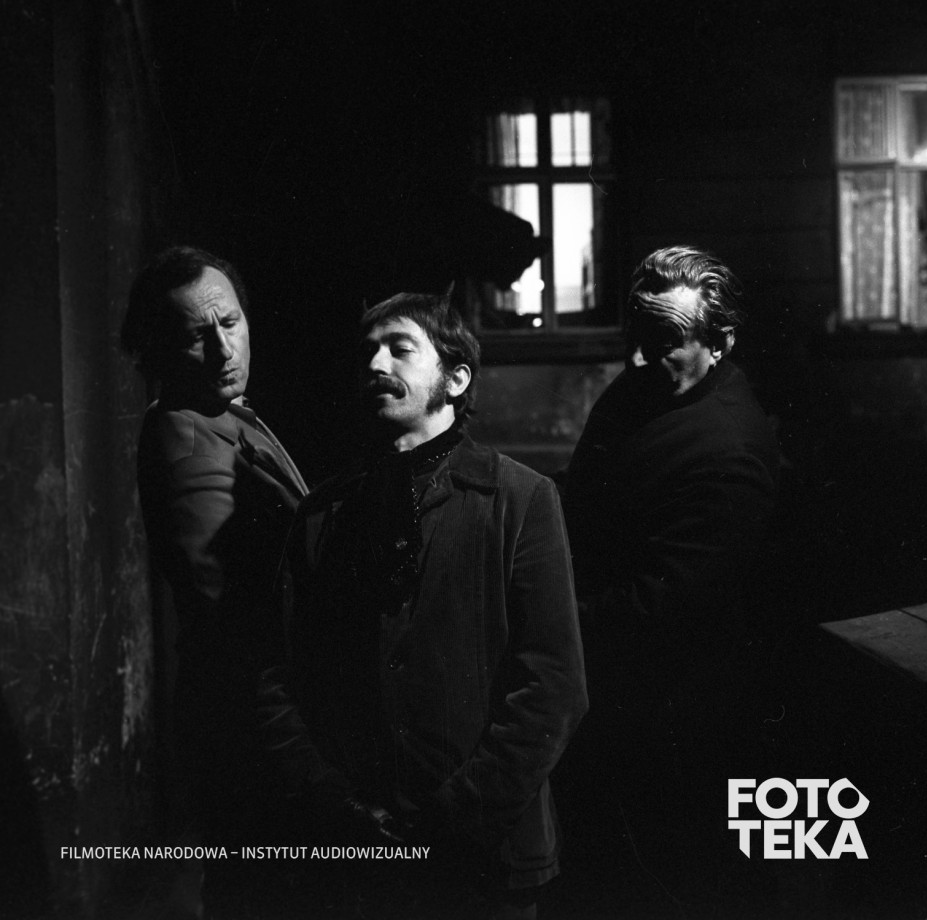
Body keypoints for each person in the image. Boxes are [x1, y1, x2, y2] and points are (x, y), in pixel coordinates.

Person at [262, 290, 588, 919]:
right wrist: (338, 807)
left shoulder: (520, 499)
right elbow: (280, 673)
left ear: (455, 379)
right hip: (360, 857)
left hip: (486, 858)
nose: (376, 364)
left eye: (400, 348)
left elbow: (554, 687)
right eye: (368, 351)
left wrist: (449, 819)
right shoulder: (324, 512)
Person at [562, 245, 780, 917]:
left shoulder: (729, 450)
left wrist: (541, 617)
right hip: (609, 696)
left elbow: (660, 609)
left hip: (667, 721)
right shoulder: (646, 386)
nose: (634, 358)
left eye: (660, 343)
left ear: (720, 342)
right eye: (633, 336)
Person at [121, 245, 309, 917]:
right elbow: (230, 618)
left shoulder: (219, 414)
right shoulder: (191, 440)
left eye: (229, 322)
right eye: (195, 336)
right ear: (161, 351)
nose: (223, 349)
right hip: (250, 730)